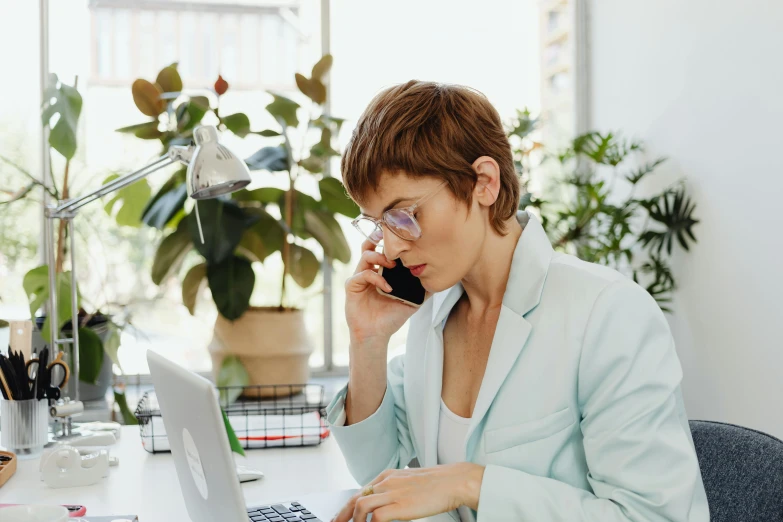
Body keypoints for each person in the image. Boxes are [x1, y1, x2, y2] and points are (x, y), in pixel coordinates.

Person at [325, 80, 709, 522]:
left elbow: (655, 518)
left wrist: (469, 483)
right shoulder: (433, 312)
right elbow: (382, 480)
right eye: (378, 223)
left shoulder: (608, 313)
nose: (390, 248)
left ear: (483, 183)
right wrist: (367, 342)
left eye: (404, 216)